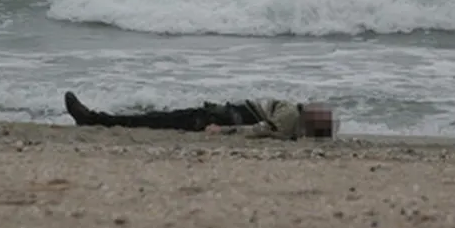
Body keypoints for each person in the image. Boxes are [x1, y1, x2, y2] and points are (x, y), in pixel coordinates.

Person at [63, 91, 336, 139]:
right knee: (155, 119)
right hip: (218, 115)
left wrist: (222, 130)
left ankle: (94, 119)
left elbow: (261, 130)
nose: (317, 108)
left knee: (154, 120)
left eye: (320, 114)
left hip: (214, 119)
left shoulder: (290, 117)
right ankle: (100, 118)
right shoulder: (293, 118)